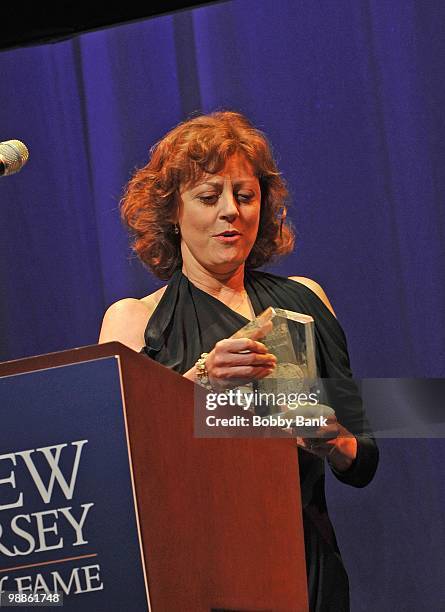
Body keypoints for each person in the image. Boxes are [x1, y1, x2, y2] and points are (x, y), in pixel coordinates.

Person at [99, 110, 379, 611]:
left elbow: (363, 458)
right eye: (209, 197)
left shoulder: (305, 300)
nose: (231, 211)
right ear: (172, 213)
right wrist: (200, 380)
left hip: (305, 563)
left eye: (245, 196)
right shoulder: (134, 321)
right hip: (201, 573)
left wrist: (334, 438)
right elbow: (121, 470)